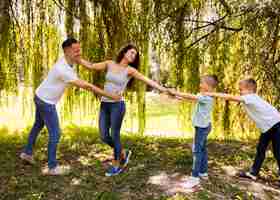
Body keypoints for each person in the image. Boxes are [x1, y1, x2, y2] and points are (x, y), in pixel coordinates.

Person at [20, 38, 121, 175]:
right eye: (76, 50)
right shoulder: (63, 69)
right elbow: (86, 86)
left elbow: (86, 64)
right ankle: (52, 167)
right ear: (66, 51)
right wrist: (109, 95)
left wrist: (79, 58)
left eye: (80, 49)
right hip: (46, 102)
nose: (79, 52)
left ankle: (27, 153)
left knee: (38, 125)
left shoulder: (68, 60)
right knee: (55, 133)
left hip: (40, 96)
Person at [79, 43, 167, 176]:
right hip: (105, 104)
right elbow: (91, 66)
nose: (133, 56)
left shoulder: (130, 70)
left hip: (117, 106)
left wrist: (163, 89)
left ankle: (116, 164)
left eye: (135, 55)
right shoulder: (109, 63)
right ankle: (122, 153)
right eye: (131, 52)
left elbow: (147, 80)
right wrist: (77, 59)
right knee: (103, 135)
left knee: (115, 134)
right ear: (124, 52)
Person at [203, 78, 280, 190]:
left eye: (241, 90)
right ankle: (253, 173)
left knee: (277, 152)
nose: (239, 92)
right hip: (269, 127)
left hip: (276, 125)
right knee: (261, 149)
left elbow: (230, 97)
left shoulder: (251, 97)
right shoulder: (251, 98)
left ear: (249, 89)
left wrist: (211, 93)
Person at [168, 75, 218, 188]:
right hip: (204, 126)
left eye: (202, 83)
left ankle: (194, 177)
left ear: (208, 86)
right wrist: (178, 97)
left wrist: (177, 92)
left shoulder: (207, 98)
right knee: (202, 149)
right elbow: (193, 99)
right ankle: (203, 172)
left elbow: (192, 96)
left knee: (197, 151)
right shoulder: (203, 96)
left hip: (202, 128)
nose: (200, 85)